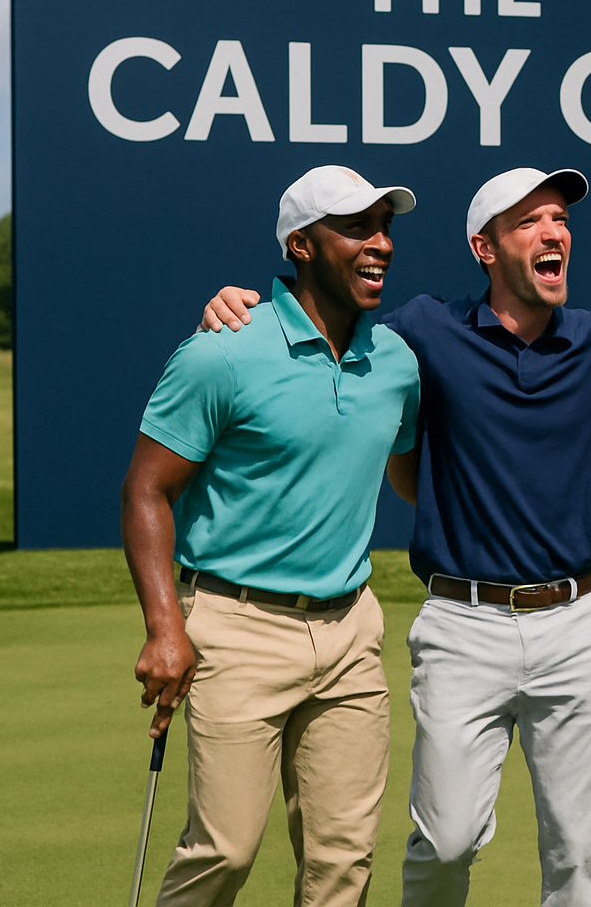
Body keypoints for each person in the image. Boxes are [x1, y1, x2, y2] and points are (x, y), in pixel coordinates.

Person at [200, 165, 591, 907]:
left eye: (560, 220)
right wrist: (236, 306)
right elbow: (325, 328)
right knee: (446, 841)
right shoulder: (424, 331)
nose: (553, 233)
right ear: (485, 248)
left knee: (576, 855)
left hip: (577, 626)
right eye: (529, 222)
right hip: (462, 627)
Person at [121, 165, 422, 907]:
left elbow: (411, 477)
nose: (380, 242)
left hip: (350, 633)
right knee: (224, 850)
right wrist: (164, 626)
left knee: (342, 861)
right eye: (355, 227)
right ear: (302, 245)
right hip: (236, 627)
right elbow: (146, 490)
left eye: (384, 226)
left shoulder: (396, 362)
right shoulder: (221, 350)